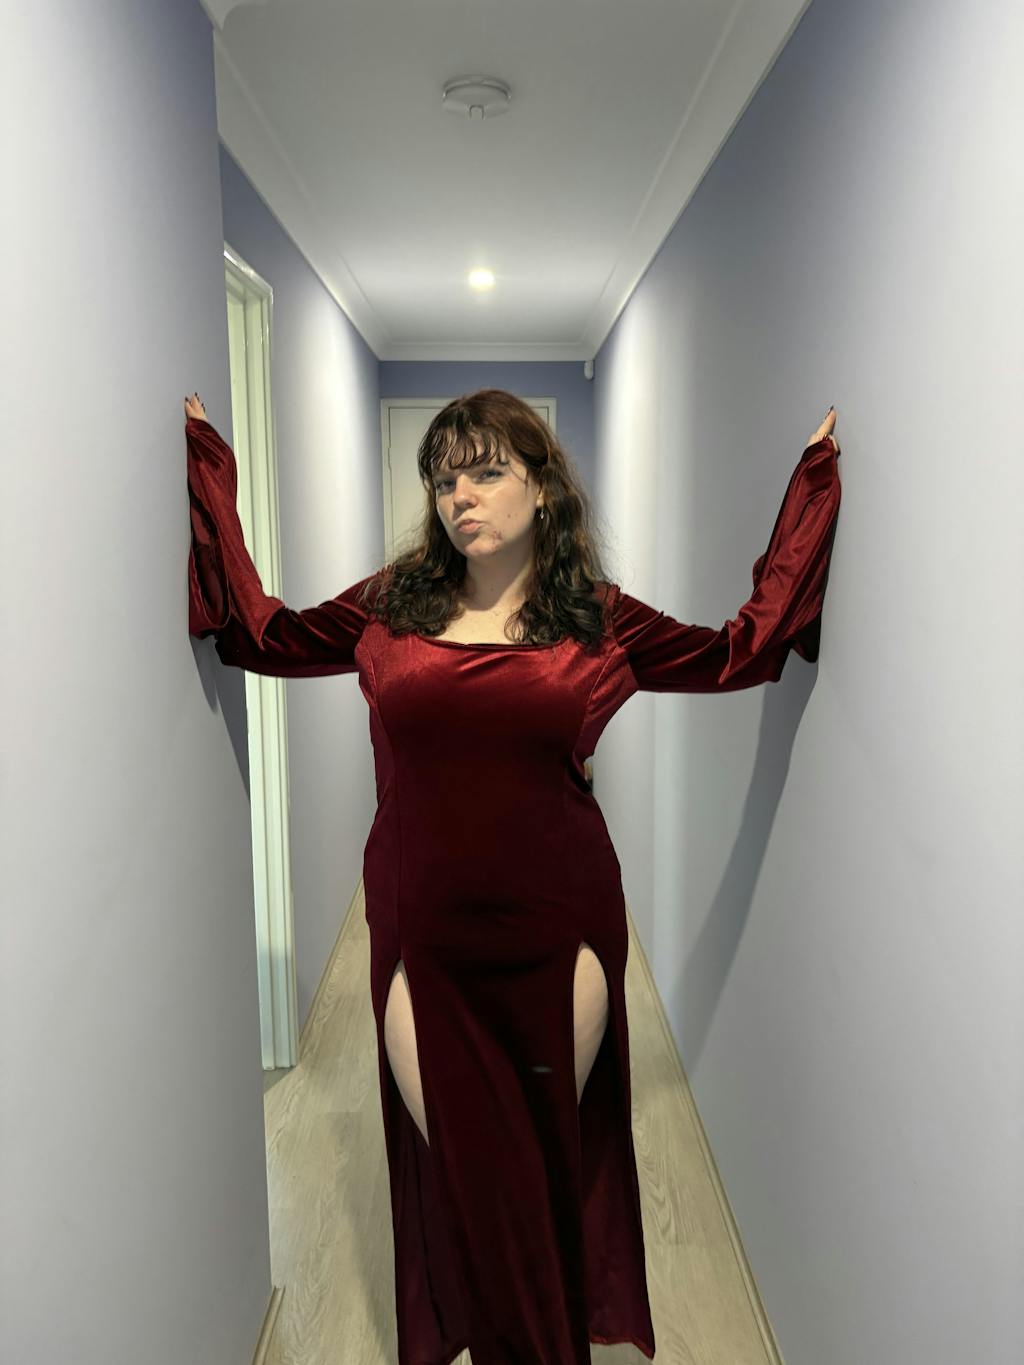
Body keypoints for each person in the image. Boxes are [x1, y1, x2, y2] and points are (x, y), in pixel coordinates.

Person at [184, 387, 841, 1364]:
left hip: (558, 931)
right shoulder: (388, 604)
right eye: (444, 479)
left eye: (488, 471)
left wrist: (810, 491)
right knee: (466, 1169)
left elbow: (738, 653)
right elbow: (262, 635)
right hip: (421, 934)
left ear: (541, 486)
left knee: (532, 1169)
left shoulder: (599, 620)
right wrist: (207, 465)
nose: (461, 496)